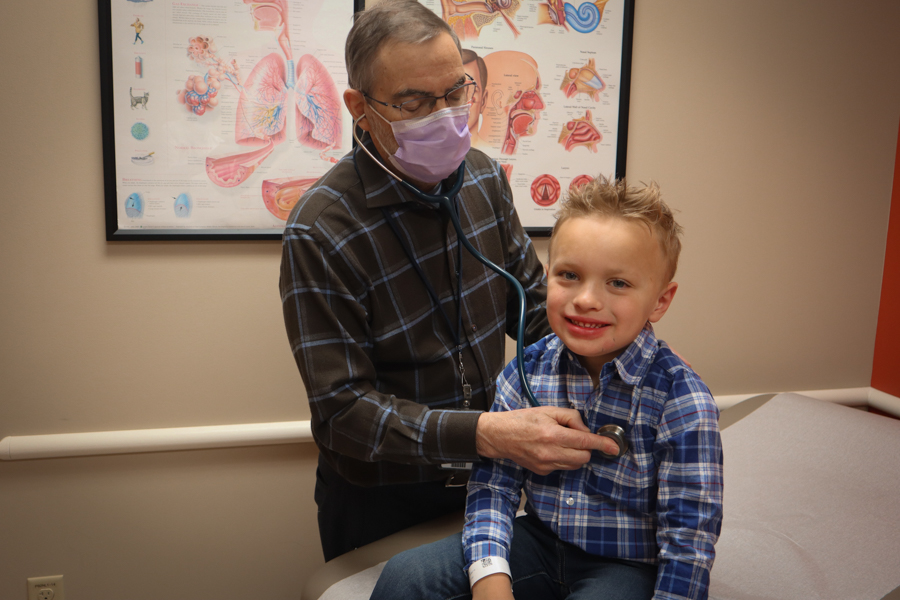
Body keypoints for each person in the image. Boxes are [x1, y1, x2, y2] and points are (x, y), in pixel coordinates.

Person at [279, 0, 618, 562]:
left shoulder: (483, 179)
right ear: (360, 108)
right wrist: (484, 432)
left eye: (455, 92)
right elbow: (343, 414)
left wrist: (621, 352)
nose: (446, 115)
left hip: (493, 482)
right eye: (414, 102)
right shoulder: (321, 230)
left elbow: (533, 311)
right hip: (383, 499)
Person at [371, 176, 724, 600]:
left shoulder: (681, 400)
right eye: (569, 275)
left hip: (626, 567)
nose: (586, 299)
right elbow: (493, 488)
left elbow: (689, 542)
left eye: (618, 283)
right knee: (404, 577)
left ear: (661, 301)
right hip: (538, 541)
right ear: (548, 276)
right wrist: (490, 580)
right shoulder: (526, 370)